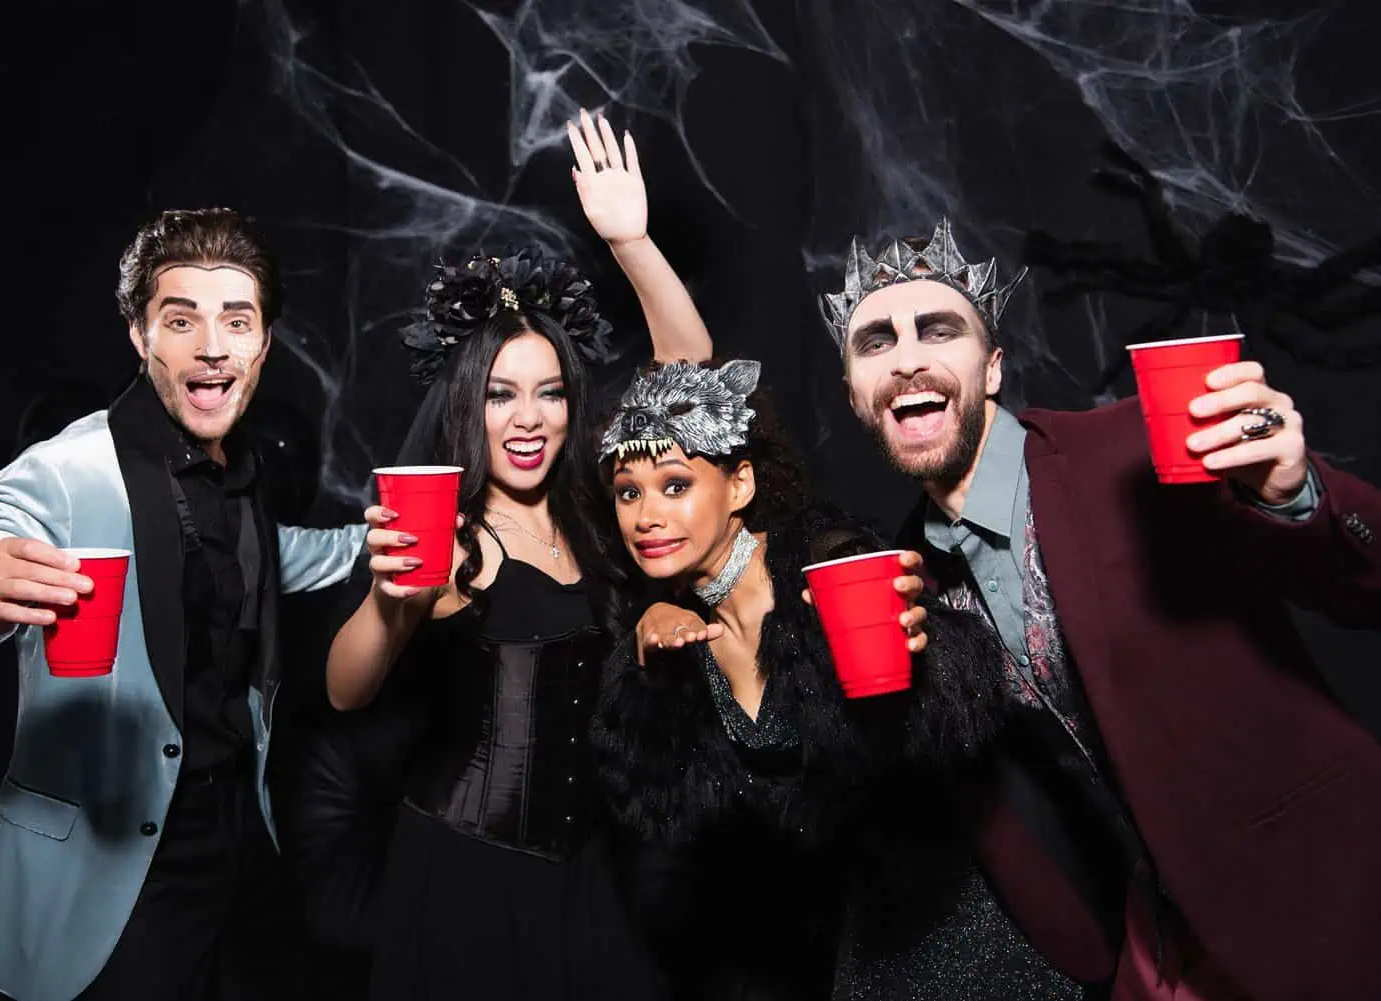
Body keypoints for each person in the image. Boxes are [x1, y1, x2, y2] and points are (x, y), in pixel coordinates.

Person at [819, 220, 1381, 999]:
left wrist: (1293, 493)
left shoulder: (1133, 448)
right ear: (855, 393)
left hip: (1321, 884)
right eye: (875, 342)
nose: (907, 356)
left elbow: (1364, 584)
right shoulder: (907, 575)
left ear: (991, 369)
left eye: (938, 330)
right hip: (1156, 937)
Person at [0, 208, 366, 1001]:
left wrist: (393, 547)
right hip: (113, 866)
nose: (212, 345)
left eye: (235, 321)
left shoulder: (243, 477)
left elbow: (291, 558)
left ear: (263, 344)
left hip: (245, 847)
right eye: (182, 320)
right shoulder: (62, 474)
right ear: (141, 338)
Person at [310, 112, 713, 1000]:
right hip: (465, 879)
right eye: (500, 395)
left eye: (549, 393)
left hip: (590, 876)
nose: (528, 418)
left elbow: (689, 369)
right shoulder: (446, 536)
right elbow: (344, 689)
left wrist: (632, 241)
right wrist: (392, 603)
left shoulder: (595, 508)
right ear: (467, 405)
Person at [593, 359, 1080, 1000]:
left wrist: (916, 645)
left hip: (960, 917)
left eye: (675, 485)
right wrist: (650, 678)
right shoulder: (673, 639)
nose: (647, 516)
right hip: (846, 941)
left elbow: (953, 701)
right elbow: (661, 811)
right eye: (629, 493)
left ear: (739, 485)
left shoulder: (822, 561)